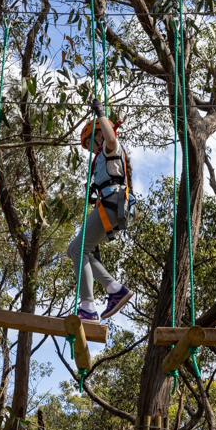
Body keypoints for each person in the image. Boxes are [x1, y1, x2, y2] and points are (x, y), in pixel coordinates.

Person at [66, 98, 134, 322]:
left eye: (90, 143)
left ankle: (88, 306)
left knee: (77, 250)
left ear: (98, 135)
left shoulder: (108, 146)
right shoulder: (103, 158)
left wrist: (100, 114)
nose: (91, 149)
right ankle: (114, 289)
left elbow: (111, 137)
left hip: (114, 202)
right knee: (76, 250)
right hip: (113, 204)